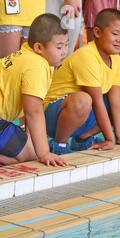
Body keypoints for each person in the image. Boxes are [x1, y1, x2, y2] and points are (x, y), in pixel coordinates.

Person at [44, 8, 120, 155]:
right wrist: (109, 138)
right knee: (84, 99)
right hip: (53, 115)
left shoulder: (116, 58)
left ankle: (83, 138)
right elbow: (97, 101)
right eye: (115, 34)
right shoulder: (87, 56)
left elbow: (116, 98)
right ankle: (59, 143)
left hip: (81, 112)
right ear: (98, 33)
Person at [0, 14, 68, 167]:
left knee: (31, 149)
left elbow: (27, 111)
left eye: (66, 45)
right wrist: (44, 153)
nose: (64, 51)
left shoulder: (26, 53)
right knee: (32, 155)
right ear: (39, 47)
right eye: (59, 47)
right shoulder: (36, 66)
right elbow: (34, 112)